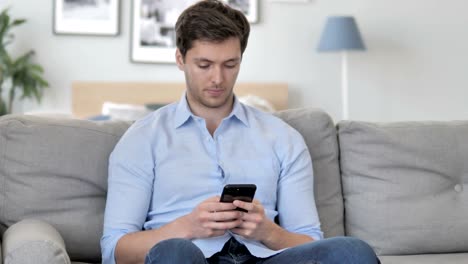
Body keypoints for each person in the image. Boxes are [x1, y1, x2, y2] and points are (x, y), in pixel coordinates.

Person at [101, 1, 380, 263]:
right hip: (185, 257)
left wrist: (268, 232)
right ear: (180, 59)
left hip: (264, 257)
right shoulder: (141, 138)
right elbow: (114, 250)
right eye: (204, 65)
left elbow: (309, 241)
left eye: (230, 65)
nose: (218, 78)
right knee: (174, 251)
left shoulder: (283, 138)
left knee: (352, 251)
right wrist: (185, 227)